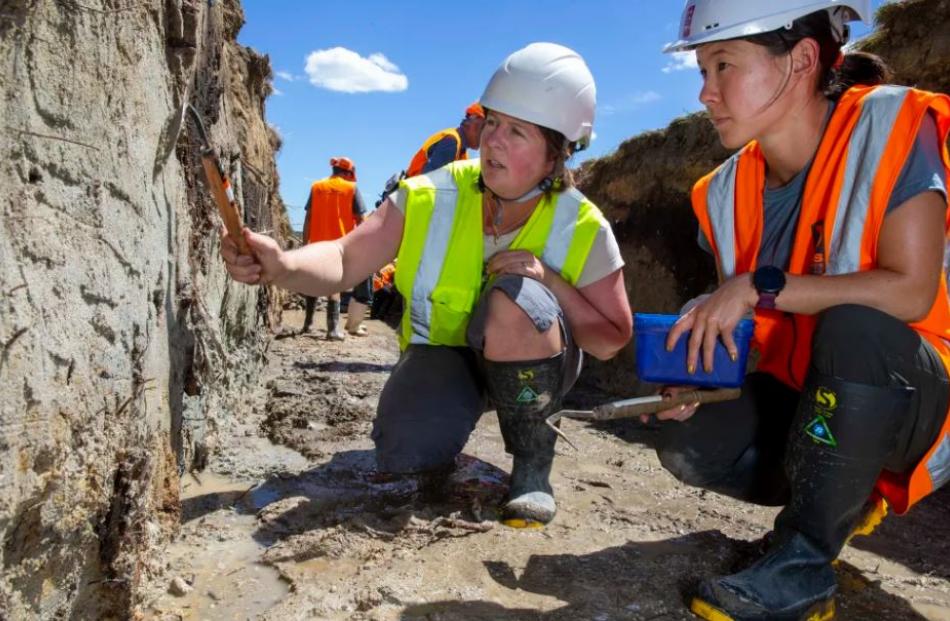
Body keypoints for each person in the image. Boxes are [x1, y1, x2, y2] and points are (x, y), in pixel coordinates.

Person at [221, 42, 632, 527]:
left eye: (517, 132)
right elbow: (344, 257)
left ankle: (532, 467)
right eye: (494, 121)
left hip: (535, 367)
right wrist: (283, 265)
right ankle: (448, 419)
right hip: (446, 360)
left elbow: (611, 339)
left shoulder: (581, 224)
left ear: (557, 154)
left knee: (520, 299)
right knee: (405, 453)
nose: (494, 140)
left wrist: (551, 283)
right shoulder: (430, 195)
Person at [656, 1, 950, 619]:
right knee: (693, 440)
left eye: (723, 66)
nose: (706, 94)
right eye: (701, 72)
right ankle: (832, 501)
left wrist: (758, 284)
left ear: (803, 60)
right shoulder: (726, 190)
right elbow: (757, 337)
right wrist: (706, 369)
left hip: (921, 396)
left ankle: (804, 566)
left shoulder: (891, 126)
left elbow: (909, 293)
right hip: (819, 398)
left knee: (857, 327)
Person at [300, 156, 370, 338]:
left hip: (316, 244)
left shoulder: (317, 187)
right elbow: (362, 220)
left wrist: (304, 243)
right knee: (335, 286)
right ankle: (333, 330)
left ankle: (307, 324)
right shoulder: (351, 188)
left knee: (312, 282)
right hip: (338, 245)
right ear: (348, 173)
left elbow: (308, 217)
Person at [405, 102, 485, 178]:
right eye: (483, 128)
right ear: (470, 122)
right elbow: (432, 181)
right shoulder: (451, 141)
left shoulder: (461, 152)